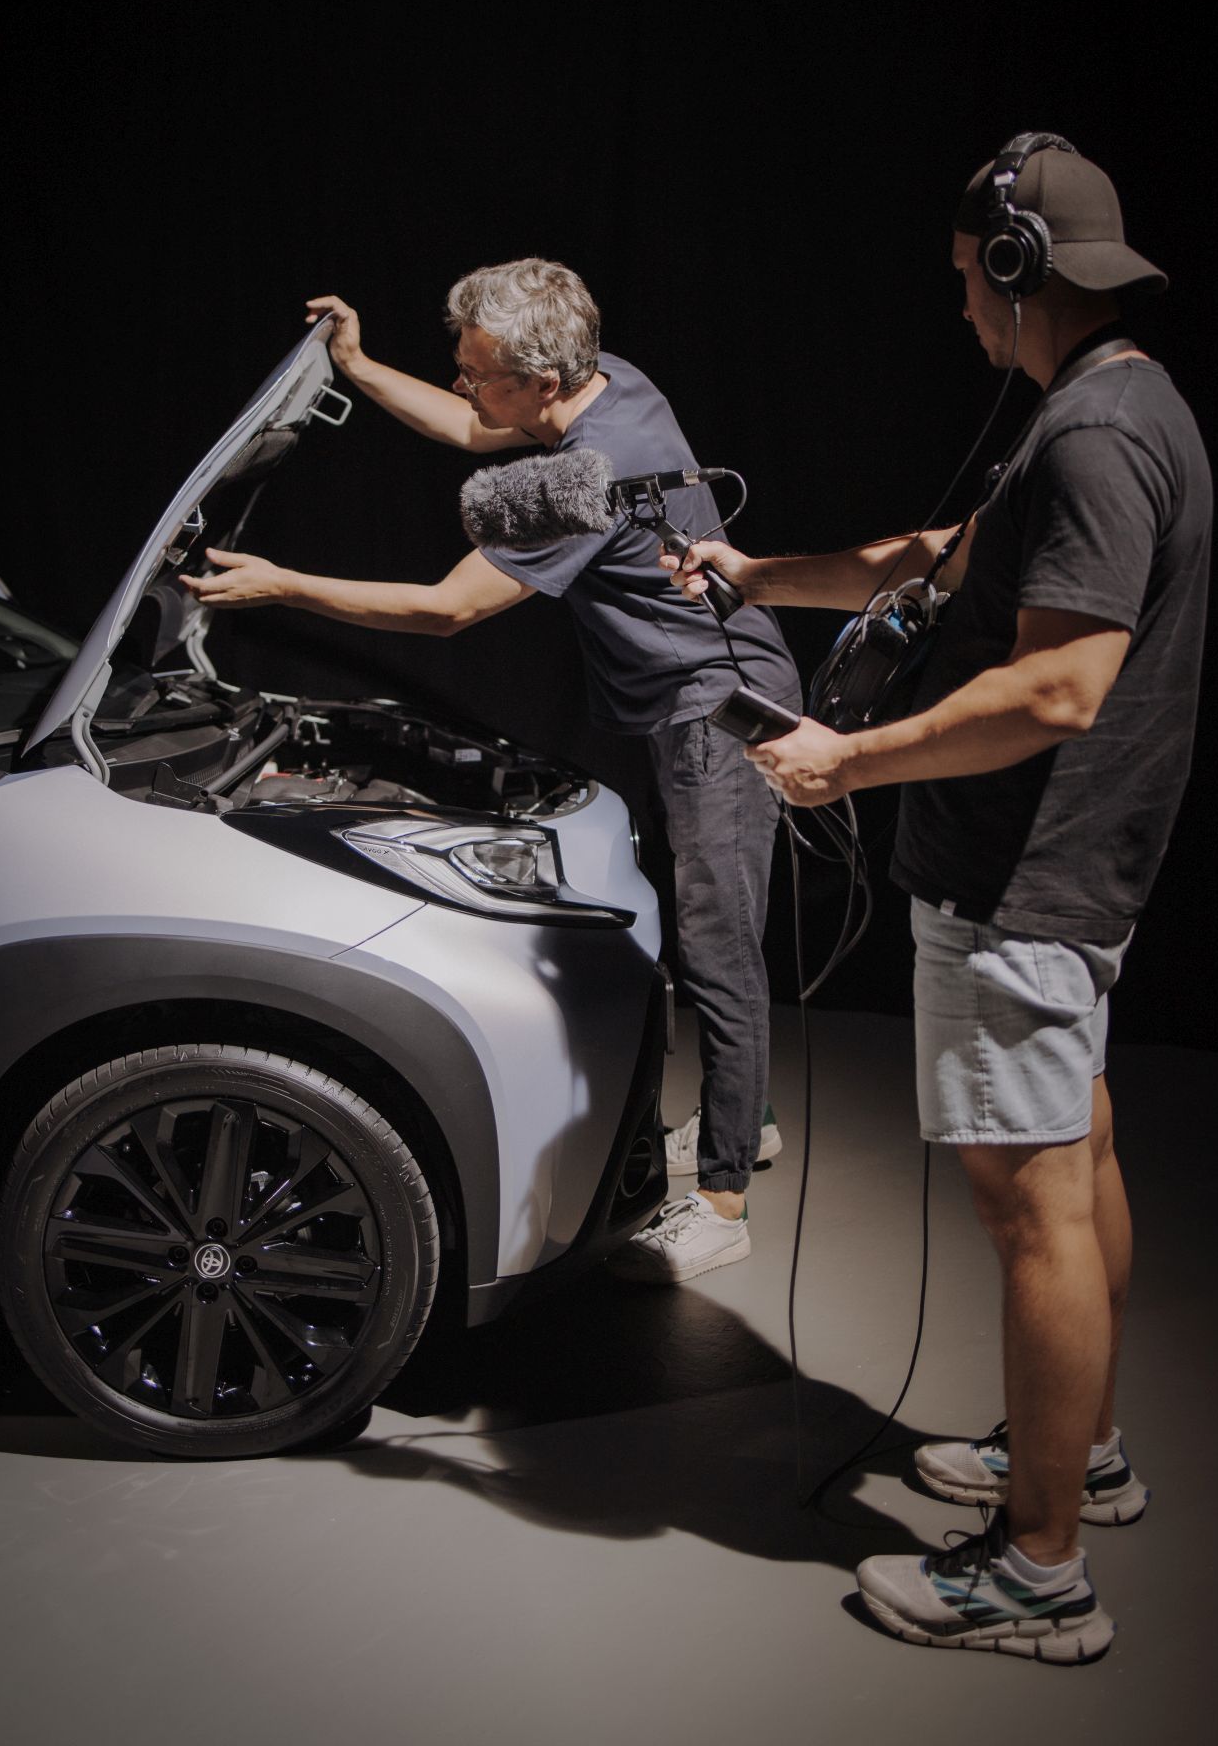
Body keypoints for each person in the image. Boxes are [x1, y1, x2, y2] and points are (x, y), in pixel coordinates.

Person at [667, 138, 1211, 1660]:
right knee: (1076, 1151)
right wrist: (756, 575)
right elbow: (930, 565)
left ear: (1018, 266)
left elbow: (1056, 685)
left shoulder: (1092, 440)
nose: (961, 301)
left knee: (1029, 1205)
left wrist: (847, 759)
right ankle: (1080, 1457)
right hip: (1064, 874)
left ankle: (1038, 1576)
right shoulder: (1113, 407)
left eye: (970, 273)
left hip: (1021, 882)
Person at [181, 258, 801, 1281]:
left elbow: (448, 609)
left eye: (477, 372)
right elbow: (475, 432)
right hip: (692, 700)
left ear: (543, 381)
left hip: (720, 716)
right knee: (710, 932)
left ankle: (724, 1197)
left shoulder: (583, 477)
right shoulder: (614, 381)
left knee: (717, 946)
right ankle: (751, 1118)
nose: (463, 385)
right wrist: (358, 366)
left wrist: (284, 586)